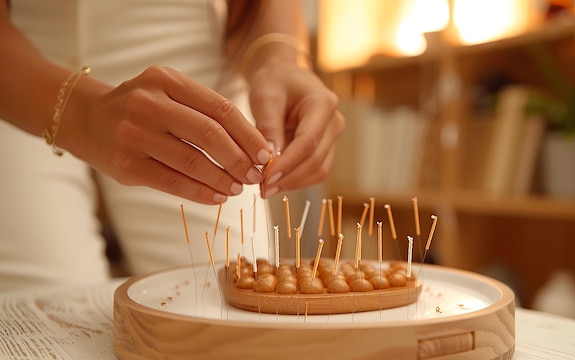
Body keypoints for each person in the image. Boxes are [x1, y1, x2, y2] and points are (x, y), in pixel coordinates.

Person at [0, 0, 345, 290]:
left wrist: (279, 56)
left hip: (184, 48)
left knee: (221, 303)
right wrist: (79, 115)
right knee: (42, 313)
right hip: (19, 63)